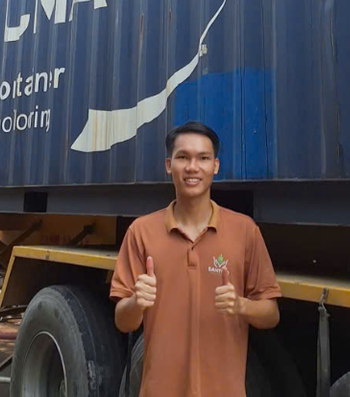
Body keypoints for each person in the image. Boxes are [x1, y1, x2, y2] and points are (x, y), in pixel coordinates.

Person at [110, 120, 281, 396]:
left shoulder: (244, 231)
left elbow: (271, 314)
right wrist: (136, 302)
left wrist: (240, 305)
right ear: (169, 165)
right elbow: (123, 321)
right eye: (183, 157)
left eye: (203, 158)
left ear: (215, 166)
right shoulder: (141, 232)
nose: (192, 167)